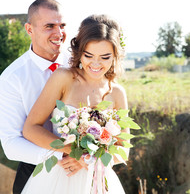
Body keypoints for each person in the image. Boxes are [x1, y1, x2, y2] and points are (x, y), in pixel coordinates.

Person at [21, 14, 129, 194]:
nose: (96, 63)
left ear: (115, 56)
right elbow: (31, 128)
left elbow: (124, 150)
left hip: (98, 180)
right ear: (79, 51)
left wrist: (90, 160)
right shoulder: (64, 78)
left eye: (105, 57)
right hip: (58, 176)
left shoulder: (117, 93)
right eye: (88, 55)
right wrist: (72, 152)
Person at [0, 0, 77, 194]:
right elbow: (11, 144)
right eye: (49, 26)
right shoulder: (12, 78)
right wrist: (58, 156)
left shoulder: (80, 64)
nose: (59, 33)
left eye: (62, 25)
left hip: (81, 169)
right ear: (29, 29)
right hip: (36, 170)